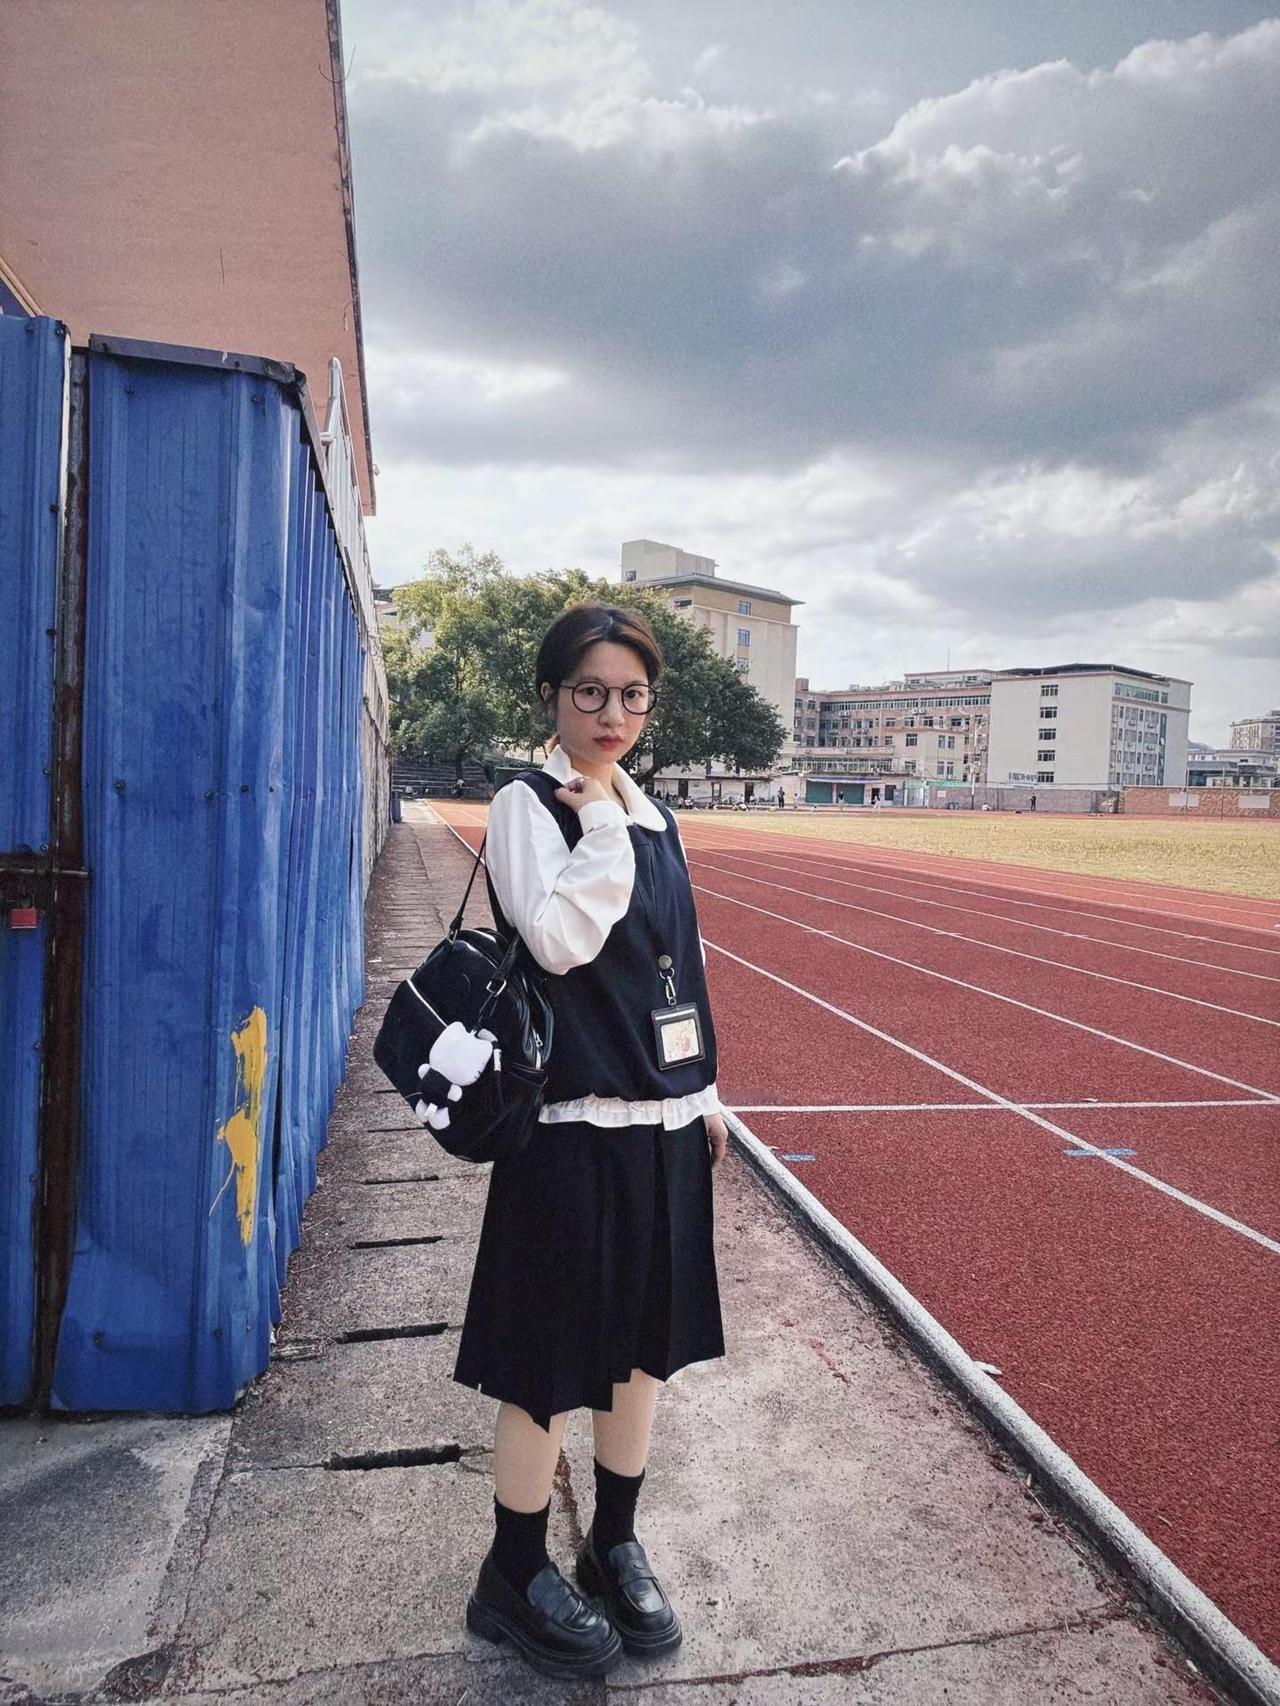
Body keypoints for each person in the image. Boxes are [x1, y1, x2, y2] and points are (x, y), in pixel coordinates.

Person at [454, 602, 728, 1681]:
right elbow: (560, 940)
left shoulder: (655, 815)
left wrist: (706, 1089)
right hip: (568, 1128)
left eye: (631, 695)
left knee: (642, 1351)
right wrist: (603, 829)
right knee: (547, 1361)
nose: (612, 714)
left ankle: (612, 1542)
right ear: (552, 696)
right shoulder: (530, 805)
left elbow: (679, 965)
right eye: (590, 692)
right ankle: (513, 1570)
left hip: (662, 1122)